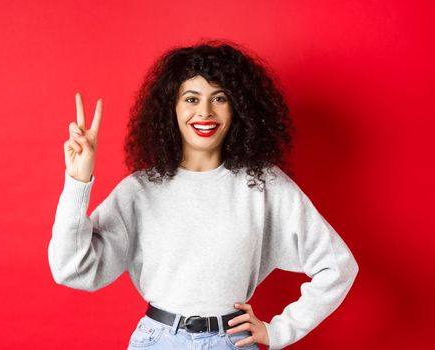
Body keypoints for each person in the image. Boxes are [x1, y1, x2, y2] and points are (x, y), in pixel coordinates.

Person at [48, 40, 359, 349]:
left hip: (232, 341)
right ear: (172, 107)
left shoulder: (262, 184)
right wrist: (78, 180)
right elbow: (72, 270)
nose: (205, 112)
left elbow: (337, 266)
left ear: (238, 107)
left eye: (219, 98)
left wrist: (279, 331)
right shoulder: (139, 190)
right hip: (157, 342)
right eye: (192, 99)